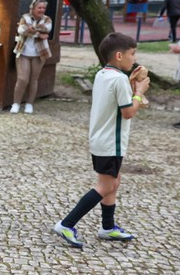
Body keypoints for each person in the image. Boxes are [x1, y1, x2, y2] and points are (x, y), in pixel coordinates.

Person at [53, 33, 150, 248]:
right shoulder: (119, 80)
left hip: (100, 139)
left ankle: (107, 227)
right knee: (106, 185)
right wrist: (139, 91)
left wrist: (132, 84)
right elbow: (128, 112)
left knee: (114, 182)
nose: (134, 59)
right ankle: (66, 224)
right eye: (132, 54)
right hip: (111, 142)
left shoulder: (103, 74)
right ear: (118, 55)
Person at [10, 0, 52, 114]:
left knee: (34, 79)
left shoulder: (47, 19)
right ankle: (16, 103)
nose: (42, 10)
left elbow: (47, 28)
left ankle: (29, 103)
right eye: (39, 8)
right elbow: (21, 30)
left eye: (43, 8)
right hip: (23, 51)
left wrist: (31, 30)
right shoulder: (25, 17)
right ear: (33, 8)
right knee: (22, 79)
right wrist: (39, 34)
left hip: (39, 53)